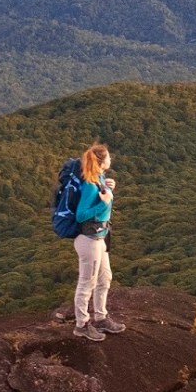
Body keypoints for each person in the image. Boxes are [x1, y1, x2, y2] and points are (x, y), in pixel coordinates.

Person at [72, 142, 126, 341]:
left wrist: (109, 187)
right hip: (89, 240)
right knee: (87, 283)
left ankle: (101, 318)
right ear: (102, 162)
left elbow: (103, 196)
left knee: (105, 278)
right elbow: (81, 215)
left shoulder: (99, 179)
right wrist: (102, 203)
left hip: (100, 237)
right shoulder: (89, 185)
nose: (111, 159)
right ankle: (81, 325)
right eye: (109, 157)